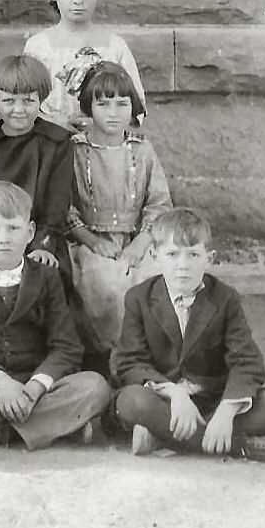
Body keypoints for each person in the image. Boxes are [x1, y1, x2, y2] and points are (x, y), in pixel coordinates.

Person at [112, 208, 265, 465]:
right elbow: (129, 362)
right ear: (155, 257)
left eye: (193, 255)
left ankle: (164, 439)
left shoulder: (225, 298)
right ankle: (248, 447)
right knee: (131, 401)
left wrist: (226, 411)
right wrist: (175, 394)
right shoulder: (138, 298)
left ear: (209, 258)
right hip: (165, 402)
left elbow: (246, 362)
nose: (183, 265)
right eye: (172, 254)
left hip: (213, 402)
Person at [0, 181, 111, 449]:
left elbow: (66, 346)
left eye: (13, 228)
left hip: (39, 384)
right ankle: (58, 429)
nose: (4, 238)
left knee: (95, 387)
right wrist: (0, 382)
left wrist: (34, 388)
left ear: (30, 231)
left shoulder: (47, 276)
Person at [68, 61, 171, 353]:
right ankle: (115, 358)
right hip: (91, 243)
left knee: (152, 283)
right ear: (88, 108)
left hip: (138, 240)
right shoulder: (76, 151)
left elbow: (159, 204)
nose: (113, 113)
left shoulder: (142, 150)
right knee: (108, 287)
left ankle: (151, 358)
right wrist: (91, 241)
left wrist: (140, 244)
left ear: (133, 108)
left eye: (122, 104)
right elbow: (65, 206)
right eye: (103, 104)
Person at [22, 0, 146, 130]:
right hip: (51, 142)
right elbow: (24, 100)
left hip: (102, 142)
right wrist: (53, 122)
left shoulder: (115, 46)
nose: (78, 0)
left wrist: (100, 122)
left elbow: (136, 106)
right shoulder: (37, 46)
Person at [0, 56, 73, 277]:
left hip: (42, 236)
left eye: (28, 101)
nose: (19, 109)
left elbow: (56, 205)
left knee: (45, 275)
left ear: (41, 100)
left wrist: (43, 246)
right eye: (9, 101)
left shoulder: (56, 142)